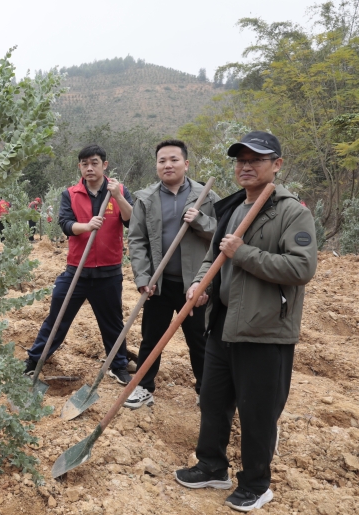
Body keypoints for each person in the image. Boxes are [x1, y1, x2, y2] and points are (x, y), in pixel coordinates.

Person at [173, 131, 317, 512]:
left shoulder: (292, 212)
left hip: (265, 329)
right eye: (241, 160)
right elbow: (212, 256)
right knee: (213, 400)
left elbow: (302, 267)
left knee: (257, 411)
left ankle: (256, 483)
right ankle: (211, 465)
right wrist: (198, 286)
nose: (246, 166)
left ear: (277, 165)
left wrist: (245, 252)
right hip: (223, 323)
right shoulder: (235, 208)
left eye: (256, 159)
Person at [24, 145, 134, 385]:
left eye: (94, 163)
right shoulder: (70, 193)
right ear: (79, 167)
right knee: (57, 318)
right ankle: (34, 361)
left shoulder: (119, 191)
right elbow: (64, 224)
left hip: (109, 272)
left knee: (113, 322)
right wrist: (86, 226)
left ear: (104, 165)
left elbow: (131, 220)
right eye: (84, 164)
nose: (89, 168)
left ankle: (118, 365)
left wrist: (118, 197)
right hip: (77, 270)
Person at [124, 139, 219, 409]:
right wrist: (143, 278)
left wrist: (200, 220)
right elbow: (137, 240)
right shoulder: (146, 198)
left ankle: (207, 392)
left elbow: (222, 233)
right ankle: (143, 387)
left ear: (186, 164)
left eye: (174, 160)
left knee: (200, 341)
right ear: (156, 166)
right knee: (151, 339)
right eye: (162, 160)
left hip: (195, 286)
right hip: (159, 284)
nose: (168, 165)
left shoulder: (207, 196)